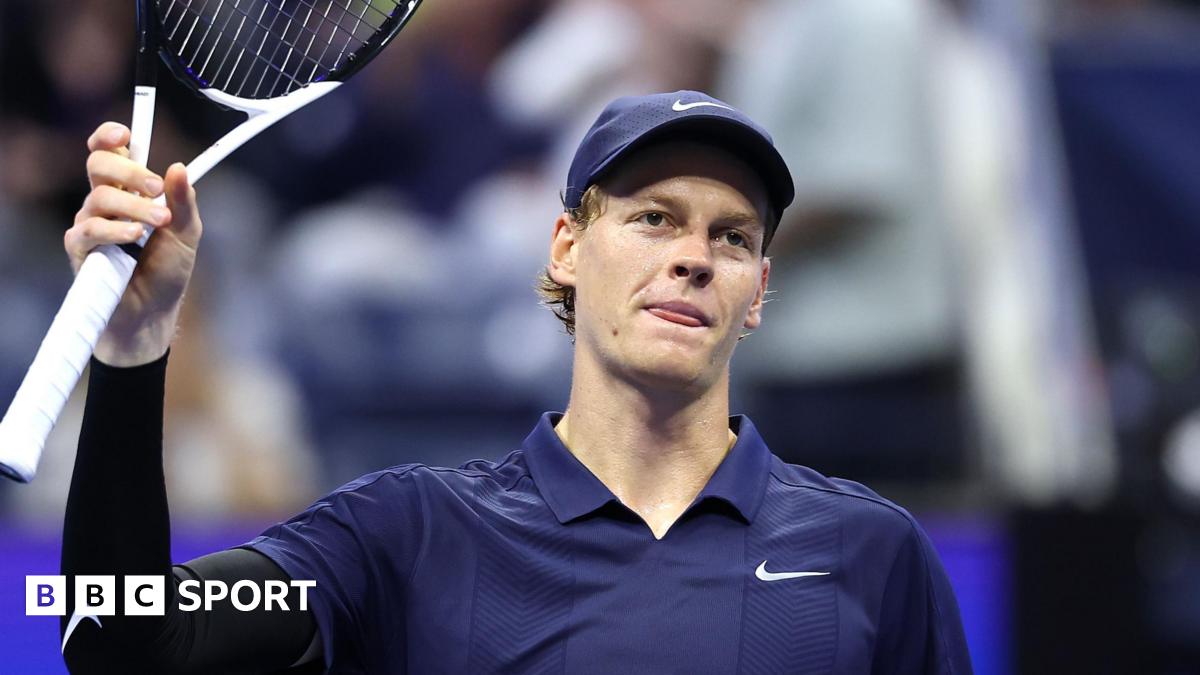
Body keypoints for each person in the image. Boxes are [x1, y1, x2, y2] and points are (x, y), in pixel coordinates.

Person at [60, 91, 972, 673]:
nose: (696, 257)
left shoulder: (873, 554)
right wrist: (136, 347)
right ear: (567, 248)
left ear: (759, 292)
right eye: (656, 219)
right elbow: (116, 637)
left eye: (733, 237)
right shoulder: (406, 537)